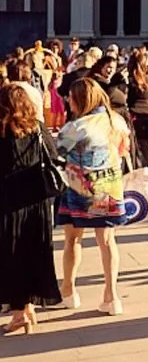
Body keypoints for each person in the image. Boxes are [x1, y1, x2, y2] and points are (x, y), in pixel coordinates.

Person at [56, 74, 128, 316]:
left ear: (80, 100)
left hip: (79, 188)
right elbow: (123, 151)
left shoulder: (75, 128)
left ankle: (69, 291)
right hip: (109, 186)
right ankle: (111, 295)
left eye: (71, 97)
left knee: (72, 239)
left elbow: (57, 154)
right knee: (107, 241)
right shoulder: (117, 121)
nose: (68, 100)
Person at [0, 80, 62, 332]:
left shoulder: (2, 130)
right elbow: (54, 155)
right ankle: (28, 308)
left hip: (8, 202)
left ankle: (18, 313)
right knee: (34, 252)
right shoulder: (37, 127)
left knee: (11, 255)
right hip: (36, 201)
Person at [125, 51, 148, 182]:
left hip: (135, 114)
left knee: (134, 146)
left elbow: (126, 100)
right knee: (147, 145)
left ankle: (139, 170)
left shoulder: (129, 80)